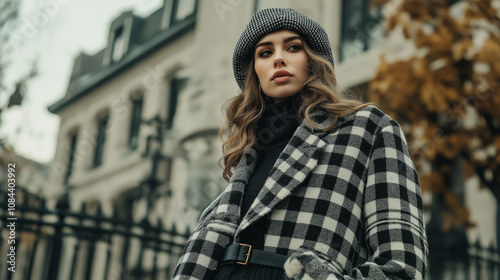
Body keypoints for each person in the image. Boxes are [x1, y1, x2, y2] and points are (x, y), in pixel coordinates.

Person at [173, 7, 428, 280]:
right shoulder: (247, 155)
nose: (279, 59)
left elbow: (402, 268)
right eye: (265, 53)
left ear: (313, 61)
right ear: (254, 72)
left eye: (293, 48)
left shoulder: (368, 128)